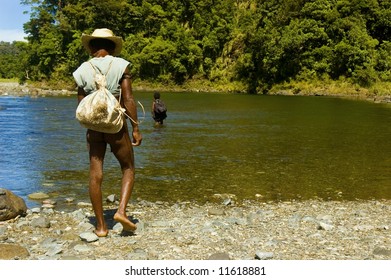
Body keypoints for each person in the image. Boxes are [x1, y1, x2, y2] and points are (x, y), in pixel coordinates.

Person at [73, 28, 142, 237]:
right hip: (116, 125)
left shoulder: (82, 69)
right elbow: (128, 99)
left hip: (94, 127)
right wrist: (135, 127)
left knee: (96, 174)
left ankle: (101, 227)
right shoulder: (121, 65)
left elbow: (81, 103)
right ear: (112, 48)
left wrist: (90, 128)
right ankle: (121, 212)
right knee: (128, 167)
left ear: (92, 47)